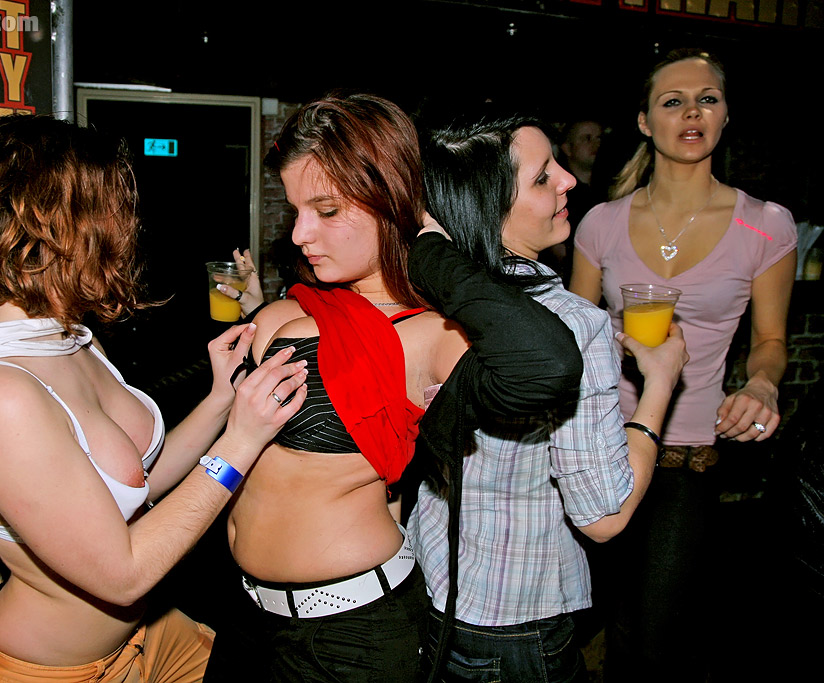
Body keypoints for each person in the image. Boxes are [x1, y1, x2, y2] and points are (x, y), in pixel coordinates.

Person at [0, 115, 309, 683]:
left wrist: (222, 400)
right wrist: (239, 445)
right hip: (57, 671)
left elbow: (136, 483)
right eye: (112, 215)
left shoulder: (68, 338)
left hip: (151, 638)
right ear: (60, 228)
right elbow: (123, 573)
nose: (126, 234)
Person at [202, 92, 585, 682]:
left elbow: (547, 365)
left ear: (391, 201)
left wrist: (429, 248)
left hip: (350, 638)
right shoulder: (300, 305)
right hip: (247, 615)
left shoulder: (433, 335)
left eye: (327, 211)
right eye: (298, 210)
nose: (300, 233)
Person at [410, 108, 688, 683]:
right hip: (520, 621)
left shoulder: (426, 304)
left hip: (432, 594)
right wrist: (659, 384)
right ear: (489, 209)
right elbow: (604, 517)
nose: (567, 180)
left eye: (557, 165)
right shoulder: (574, 325)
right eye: (541, 178)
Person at [569, 49, 797, 681]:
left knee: (652, 641)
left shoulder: (764, 226)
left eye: (707, 99)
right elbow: (572, 337)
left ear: (725, 116)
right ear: (645, 122)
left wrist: (762, 382)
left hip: (686, 457)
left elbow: (770, 340)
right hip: (598, 448)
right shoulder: (602, 223)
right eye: (673, 101)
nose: (692, 112)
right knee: (582, 624)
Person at [539, 118, 603, 281]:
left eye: (599, 138)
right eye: (586, 138)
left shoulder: (611, 189)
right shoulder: (557, 193)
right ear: (567, 148)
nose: (596, 144)